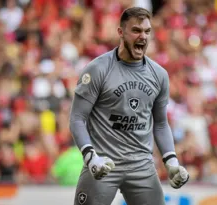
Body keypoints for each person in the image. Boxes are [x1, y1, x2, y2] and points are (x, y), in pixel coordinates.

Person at [70, 7, 189, 205]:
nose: (143, 36)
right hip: (103, 165)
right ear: (120, 32)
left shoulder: (159, 75)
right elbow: (77, 118)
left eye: (147, 31)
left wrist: (171, 162)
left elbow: (160, 123)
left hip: (141, 166)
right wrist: (91, 157)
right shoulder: (98, 69)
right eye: (136, 30)